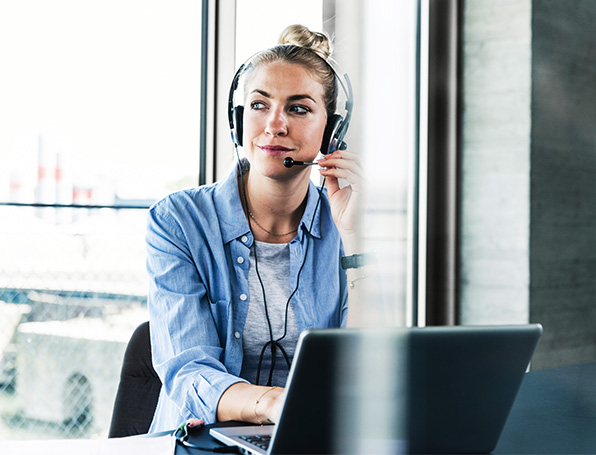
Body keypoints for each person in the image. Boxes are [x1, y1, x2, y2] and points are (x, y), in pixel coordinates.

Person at [146, 24, 363, 432]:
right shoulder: (179, 221)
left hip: (314, 440)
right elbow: (190, 371)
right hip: (203, 441)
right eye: (260, 105)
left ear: (332, 130)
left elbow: (377, 364)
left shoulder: (343, 223)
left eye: (298, 109)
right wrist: (274, 403)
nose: (274, 125)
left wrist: (355, 239)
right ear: (238, 118)